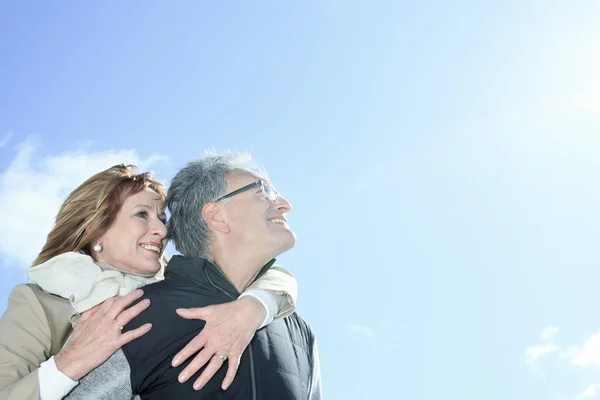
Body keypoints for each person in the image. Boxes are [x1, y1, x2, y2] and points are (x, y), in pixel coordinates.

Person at [0, 164, 298, 400]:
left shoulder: (175, 288)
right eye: (142, 214)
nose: (160, 230)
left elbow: (258, 271)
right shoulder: (39, 303)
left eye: (161, 217)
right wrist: (70, 362)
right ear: (95, 230)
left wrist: (256, 306)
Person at [65, 152, 321, 399]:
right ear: (217, 216)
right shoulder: (139, 315)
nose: (284, 205)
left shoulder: (297, 330)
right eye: (262, 191)